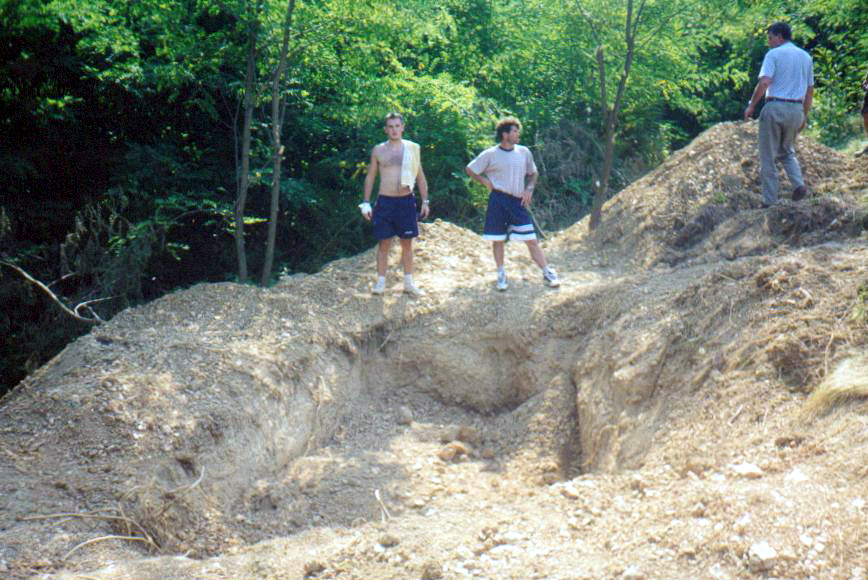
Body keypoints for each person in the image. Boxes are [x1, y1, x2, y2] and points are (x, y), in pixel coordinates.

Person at [465, 117, 559, 291]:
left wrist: (529, 189)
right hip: (498, 200)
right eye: (515, 131)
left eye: (518, 131)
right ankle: (501, 273)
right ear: (504, 134)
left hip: (518, 201)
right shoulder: (490, 154)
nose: (518, 134)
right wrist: (485, 182)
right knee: (497, 240)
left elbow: (533, 173)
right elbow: (470, 169)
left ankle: (547, 271)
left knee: (531, 239)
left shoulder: (524, 152)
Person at [744, 22, 814, 207]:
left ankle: (769, 201)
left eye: (770, 37)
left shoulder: (773, 54)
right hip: (796, 110)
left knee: (768, 156)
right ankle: (799, 185)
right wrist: (804, 116)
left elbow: (765, 82)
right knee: (787, 151)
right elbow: (810, 90)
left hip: (775, 107)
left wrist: (751, 105)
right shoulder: (806, 57)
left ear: (779, 36)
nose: (768, 42)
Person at [360, 112, 429, 295]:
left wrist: (425, 201)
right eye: (390, 126)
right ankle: (381, 283)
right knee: (384, 243)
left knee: (407, 244)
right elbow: (371, 176)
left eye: (397, 126)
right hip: (385, 201)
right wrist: (365, 202)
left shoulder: (412, 148)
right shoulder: (379, 150)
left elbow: (420, 176)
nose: (394, 130)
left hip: (406, 201)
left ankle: (408, 283)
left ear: (403, 127)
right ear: (385, 129)